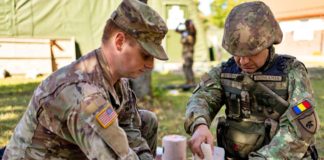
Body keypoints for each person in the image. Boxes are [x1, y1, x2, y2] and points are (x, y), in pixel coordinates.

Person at [3, 0, 168, 159]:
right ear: (119, 42)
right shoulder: (84, 96)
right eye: (145, 55)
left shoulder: (117, 80)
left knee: (146, 120)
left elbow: (129, 128)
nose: (150, 65)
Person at [184, 1, 319, 160]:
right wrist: (199, 125)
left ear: (268, 44)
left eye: (251, 54)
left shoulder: (292, 72)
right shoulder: (225, 71)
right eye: (237, 54)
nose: (242, 61)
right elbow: (202, 98)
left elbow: (300, 127)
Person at [176, 19, 197, 86]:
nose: (186, 25)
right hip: (185, 51)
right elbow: (176, 30)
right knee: (185, 66)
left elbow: (189, 40)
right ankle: (188, 81)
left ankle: (191, 81)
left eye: (187, 24)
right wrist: (179, 25)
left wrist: (191, 24)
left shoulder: (192, 32)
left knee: (188, 66)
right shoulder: (185, 31)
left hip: (189, 51)